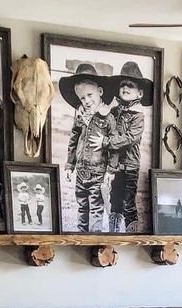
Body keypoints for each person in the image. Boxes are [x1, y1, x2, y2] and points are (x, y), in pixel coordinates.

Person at [59, 63, 115, 233]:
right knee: (82, 205)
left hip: (98, 173)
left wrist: (110, 171)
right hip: (81, 172)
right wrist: (70, 166)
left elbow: (114, 147)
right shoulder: (80, 117)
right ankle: (81, 235)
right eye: (82, 98)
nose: (87, 100)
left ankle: (95, 238)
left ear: (100, 91)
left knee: (96, 207)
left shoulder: (108, 118)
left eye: (90, 95)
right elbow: (73, 141)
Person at [101, 62, 154, 233]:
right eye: (122, 84)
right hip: (114, 165)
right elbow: (106, 126)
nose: (125, 88)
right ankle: (114, 232)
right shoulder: (115, 111)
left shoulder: (138, 116)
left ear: (140, 93)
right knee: (114, 199)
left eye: (130, 85)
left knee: (128, 201)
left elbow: (131, 138)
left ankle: (131, 234)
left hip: (130, 165)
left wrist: (107, 142)